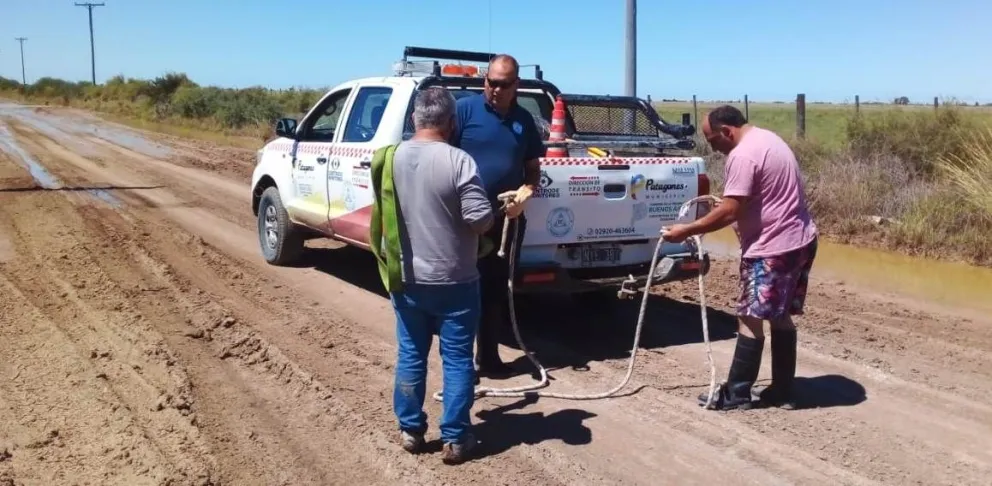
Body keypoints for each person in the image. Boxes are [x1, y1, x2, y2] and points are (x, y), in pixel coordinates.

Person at [661, 105, 818, 411]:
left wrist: (687, 230)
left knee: (749, 316)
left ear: (726, 131)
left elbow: (732, 210)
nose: (714, 149)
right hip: (800, 240)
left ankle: (737, 394)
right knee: (779, 314)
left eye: (713, 141)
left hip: (772, 247)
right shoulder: (767, 139)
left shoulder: (742, 155)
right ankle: (783, 391)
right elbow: (755, 196)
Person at [370, 87, 494, 464]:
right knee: (456, 360)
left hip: (405, 278)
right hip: (456, 281)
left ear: (415, 120)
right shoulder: (459, 161)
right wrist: (499, 212)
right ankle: (456, 439)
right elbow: (479, 220)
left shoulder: (388, 159)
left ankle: (410, 429)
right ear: (451, 123)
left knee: (411, 354)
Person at [449, 53, 546, 377]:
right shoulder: (464, 110)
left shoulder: (523, 120)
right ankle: (461, 366)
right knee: (463, 291)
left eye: (503, 84)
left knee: (494, 291)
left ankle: (488, 358)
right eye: (490, 82)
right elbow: (441, 157)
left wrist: (526, 193)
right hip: (465, 222)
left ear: (516, 85)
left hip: (506, 223)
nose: (495, 89)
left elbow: (533, 169)